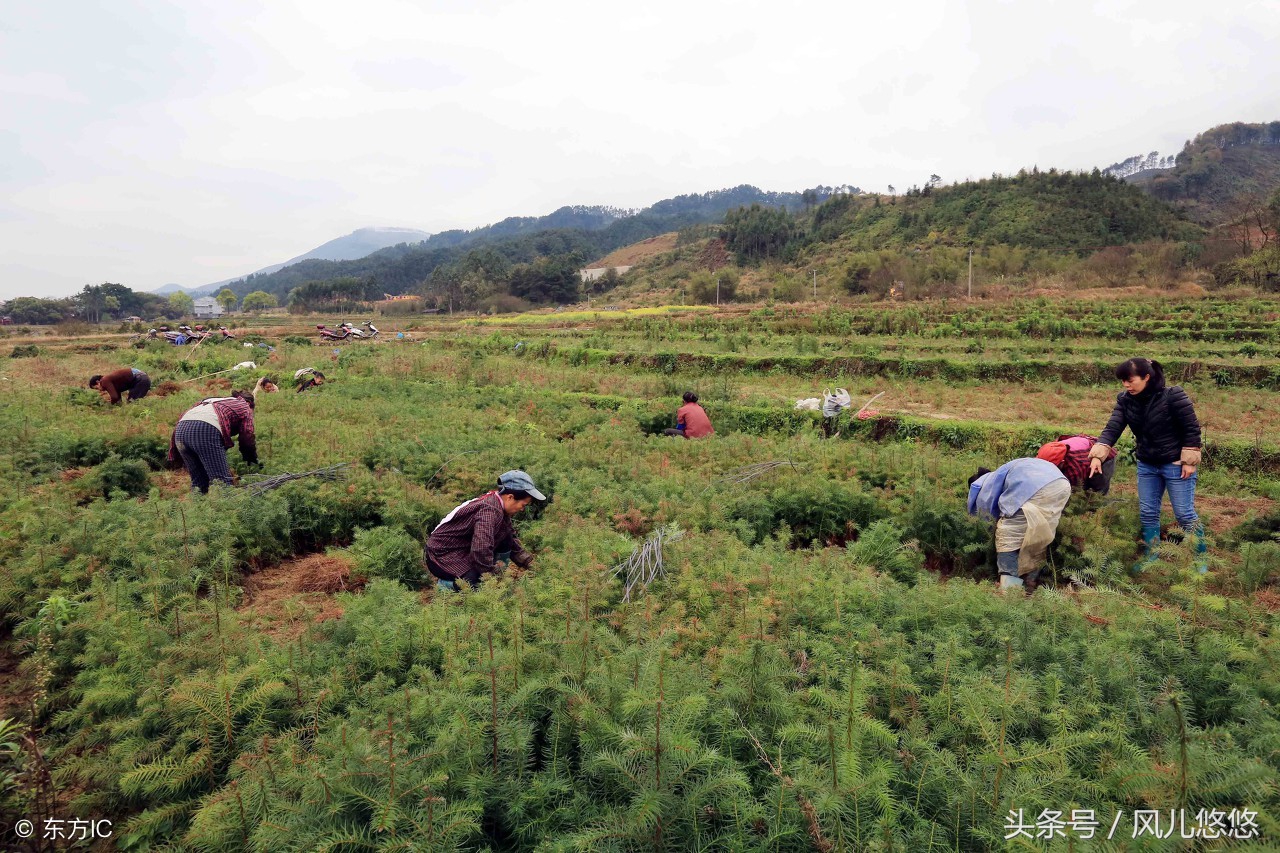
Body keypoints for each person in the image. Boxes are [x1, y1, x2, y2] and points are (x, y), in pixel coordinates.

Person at [1088, 358, 1205, 572]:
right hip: (1147, 464)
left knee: (1184, 514)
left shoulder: (1173, 396)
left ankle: (1200, 559)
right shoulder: (1125, 400)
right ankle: (1151, 555)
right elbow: (1113, 426)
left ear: (1147, 377)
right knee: (1148, 512)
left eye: (1129, 380)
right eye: (1123, 381)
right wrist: (1098, 454)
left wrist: (1189, 460)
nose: (1125, 385)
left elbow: (1191, 428)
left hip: (1175, 464)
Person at [425, 470, 545, 590]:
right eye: (523, 505)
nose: (522, 509)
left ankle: (498, 572)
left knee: (506, 538)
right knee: (474, 579)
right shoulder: (489, 512)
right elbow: (480, 550)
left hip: (462, 547)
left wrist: (529, 563)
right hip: (441, 554)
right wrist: (493, 577)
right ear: (510, 497)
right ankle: (446, 586)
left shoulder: (499, 506)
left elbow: (512, 541)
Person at [968, 457, 1072, 593]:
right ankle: (1030, 582)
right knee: (1038, 536)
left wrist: (989, 536)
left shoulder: (984, 484)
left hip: (1034, 487)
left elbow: (986, 516)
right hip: (1061, 485)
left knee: (1007, 535)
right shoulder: (1005, 471)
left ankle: (1010, 590)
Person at [167, 377, 268, 493]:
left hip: (180, 431)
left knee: (199, 482)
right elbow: (247, 436)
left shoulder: (215, 400)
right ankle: (225, 509)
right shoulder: (244, 406)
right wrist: (251, 459)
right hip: (204, 430)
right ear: (250, 404)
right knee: (222, 482)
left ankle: (198, 508)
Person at [1036, 434, 1116, 493]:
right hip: (1081, 444)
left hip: (1103, 453)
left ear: (1062, 463)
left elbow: (1076, 488)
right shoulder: (1044, 455)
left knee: (1095, 489)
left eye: (1054, 467)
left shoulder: (1075, 467)